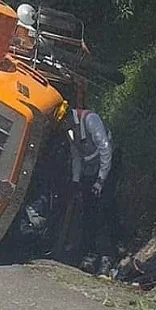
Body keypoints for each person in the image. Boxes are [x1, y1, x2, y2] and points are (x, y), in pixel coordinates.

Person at [61, 106, 120, 276]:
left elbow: (105, 149)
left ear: (67, 118)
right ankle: (90, 253)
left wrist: (101, 180)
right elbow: (76, 156)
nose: (63, 127)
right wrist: (76, 180)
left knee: (105, 207)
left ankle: (109, 254)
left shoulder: (90, 119)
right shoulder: (70, 130)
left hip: (107, 164)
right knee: (89, 211)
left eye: (63, 123)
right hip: (89, 169)